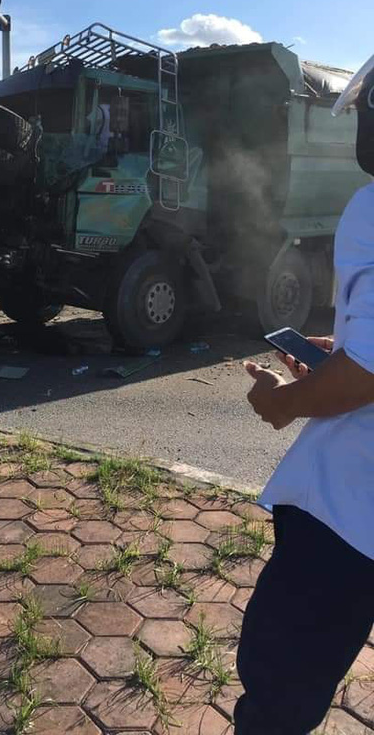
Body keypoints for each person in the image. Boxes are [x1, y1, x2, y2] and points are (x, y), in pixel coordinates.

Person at [237, 51, 374, 735]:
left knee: (277, 683)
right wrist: (341, 348)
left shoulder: (371, 208)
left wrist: (285, 403)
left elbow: (368, 375)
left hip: (351, 509)